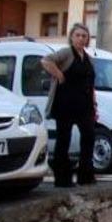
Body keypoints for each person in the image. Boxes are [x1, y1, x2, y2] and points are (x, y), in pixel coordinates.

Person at [41, 23, 97, 187]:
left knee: (88, 137)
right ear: (72, 37)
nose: (81, 38)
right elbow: (46, 61)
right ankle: (62, 179)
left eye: (84, 36)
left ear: (87, 39)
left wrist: (94, 103)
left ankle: (85, 175)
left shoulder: (89, 59)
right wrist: (58, 74)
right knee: (63, 140)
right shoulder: (66, 53)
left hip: (85, 105)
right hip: (65, 104)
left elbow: (91, 84)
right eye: (78, 35)